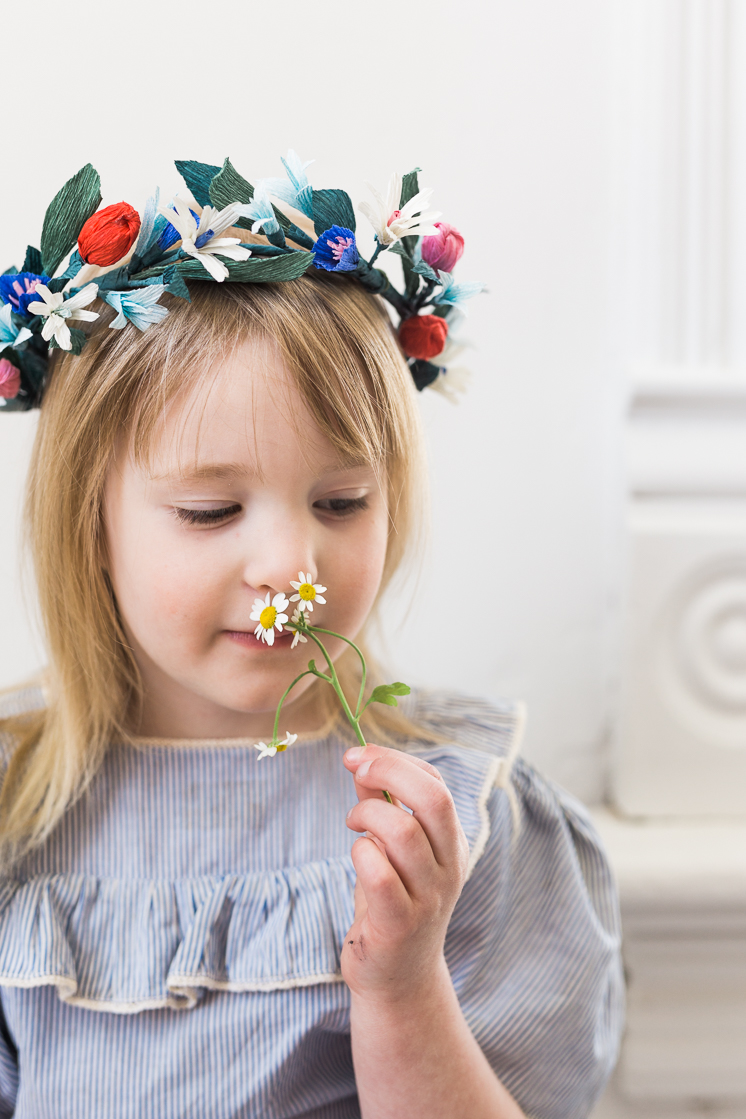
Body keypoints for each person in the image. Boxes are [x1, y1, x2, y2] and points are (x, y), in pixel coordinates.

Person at [0, 155, 623, 1119]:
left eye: (342, 501)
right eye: (210, 511)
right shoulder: (16, 814)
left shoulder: (461, 817)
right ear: (90, 524)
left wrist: (403, 985)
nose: (292, 564)